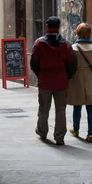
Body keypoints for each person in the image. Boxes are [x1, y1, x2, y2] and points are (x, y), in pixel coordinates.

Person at [30, 16, 76, 145]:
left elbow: (34, 62)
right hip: (61, 81)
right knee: (60, 109)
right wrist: (66, 77)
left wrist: (40, 74)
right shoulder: (65, 44)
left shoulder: (39, 43)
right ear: (59, 27)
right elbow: (72, 64)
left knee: (44, 108)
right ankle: (59, 136)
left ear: (47, 26)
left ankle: (42, 131)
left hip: (45, 81)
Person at [67, 23, 92, 143]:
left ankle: (76, 129)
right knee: (91, 108)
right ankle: (90, 134)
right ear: (90, 33)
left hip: (76, 80)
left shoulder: (73, 48)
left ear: (78, 33)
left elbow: (69, 66)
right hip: (90, 80)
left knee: (77, 107)